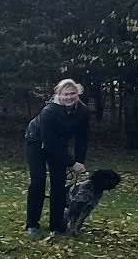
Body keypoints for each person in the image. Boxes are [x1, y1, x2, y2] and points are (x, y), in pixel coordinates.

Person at [24, 78, 89, 238]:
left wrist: (80, 161)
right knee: (38, 181)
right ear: (59, 95)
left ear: (78, 94)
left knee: (59, 184)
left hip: (59, 144)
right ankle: (32, 224)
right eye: (65, 94)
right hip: (36, 142)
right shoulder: (49, 112)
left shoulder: (82, 111)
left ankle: (56, 226)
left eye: (72, 93)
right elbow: (49, 143)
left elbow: (82, 137)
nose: (69, 97)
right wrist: (71, 162)